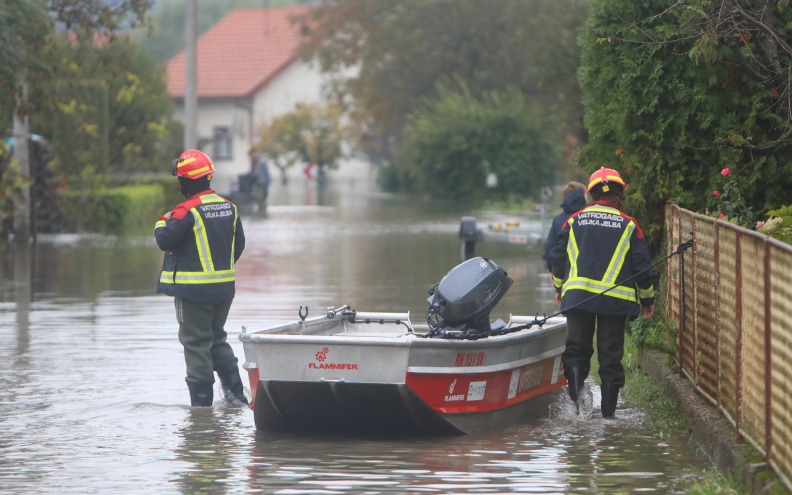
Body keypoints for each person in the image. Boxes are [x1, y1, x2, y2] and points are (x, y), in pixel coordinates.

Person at [550, 167, 654, 418]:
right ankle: (608, 418)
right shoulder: (629, 225)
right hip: (615, 302)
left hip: (577, 296)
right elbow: (642, 266)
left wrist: (559, 287)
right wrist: (647, 298)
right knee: (610, 357)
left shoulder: (573, 220)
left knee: (576, 350)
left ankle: (577, 412)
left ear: (591, 194)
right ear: (620, 194)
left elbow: (558, 257)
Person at [154, 149, 248, 407]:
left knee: (195, 344)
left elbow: (165, 240)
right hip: (224, 291)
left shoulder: (186, 211)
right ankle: (237, 399)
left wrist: (161, 222)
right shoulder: (230, 207)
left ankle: (201, 414)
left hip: (193, 293)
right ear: (208, 178)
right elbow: (238, 246)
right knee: (217, 338)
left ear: (184, 182)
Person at [543, 182, 588, 273]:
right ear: (580, 197)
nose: (587, 200)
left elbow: (549, 245)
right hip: (585, 272)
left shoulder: (558, 219)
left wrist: (552, 270)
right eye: (586, 196)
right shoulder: (588, 217)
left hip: (563, 272)